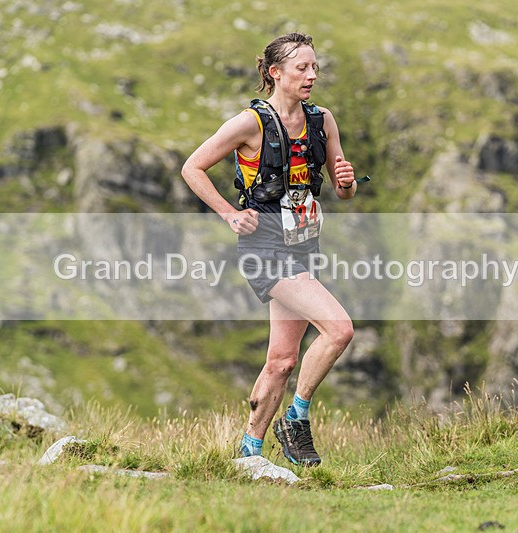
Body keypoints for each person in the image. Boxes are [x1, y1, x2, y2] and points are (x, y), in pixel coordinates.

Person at [181, 32, 357, 466]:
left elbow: (343, 190)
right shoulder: (249, 123)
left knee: (281, 361)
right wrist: (227, 213)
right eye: (303, 68)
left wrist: (347, 182)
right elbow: (192, 167)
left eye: (315, 67)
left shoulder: (323, 121)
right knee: (339, 329)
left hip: (304, 245)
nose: (312, 75)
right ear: (276, 73)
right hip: (265, 248)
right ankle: (295, 419)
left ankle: (249, 453)